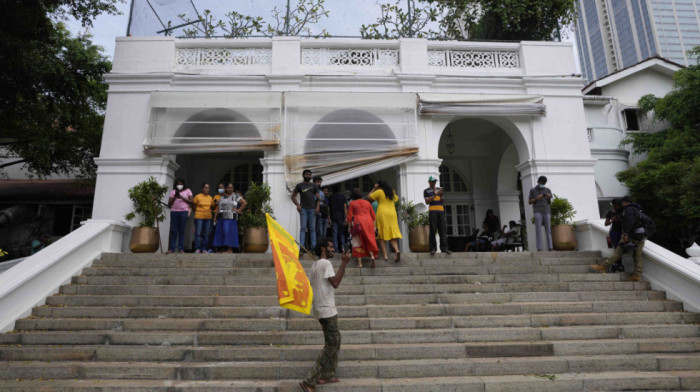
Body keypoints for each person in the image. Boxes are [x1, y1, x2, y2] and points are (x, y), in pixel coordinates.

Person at [299, 237, 350, 392]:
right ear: (323, 248)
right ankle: (309, 381)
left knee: (336, 340)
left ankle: (327, 374)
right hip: (327, 309)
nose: (333, 249)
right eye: (330, 247)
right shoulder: (325, 263)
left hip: (320, 309)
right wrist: (344, 263)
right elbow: (335, 283)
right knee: (331, 345)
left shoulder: (315, 265)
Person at [590, 196, 647, 281]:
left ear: (625, 202)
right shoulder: (637, 209)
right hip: (641, 235)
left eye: (622, 203)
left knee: (618, 251)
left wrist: (626, 234)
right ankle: (637, 275)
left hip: (632, 235)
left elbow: (629, 222)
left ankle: (603, 266)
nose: (621, 205)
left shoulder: (628, 210)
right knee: (637, 255)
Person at [369, 181, 402, 263]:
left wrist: (374, 188)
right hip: (392, 214)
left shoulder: (379, 191)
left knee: (380, 235)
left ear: (380, 186)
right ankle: (397, 250)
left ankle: (385, 256)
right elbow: (396, 199)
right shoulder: (392, 192)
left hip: (382, 214)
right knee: (392, 234)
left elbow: (369, 197)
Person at [291, 169, 321, 255]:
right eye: (306, 174)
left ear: (311, 176)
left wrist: (317, 207)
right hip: (303, 209)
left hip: (312, 209)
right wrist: (298, 205)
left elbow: (318, 198)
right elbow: (293, 196)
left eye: (309, 175)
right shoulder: (299, 185)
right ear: (303, 175)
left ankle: (313, 247)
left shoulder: (314, 186)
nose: (308, 176)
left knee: (312, 228)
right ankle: (302, 248)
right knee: (303, 228)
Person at [347, 188, 378, 268]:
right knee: (368, 240)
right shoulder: (368, 203)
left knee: (357, 241)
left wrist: (349, 227)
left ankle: (360, 263)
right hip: (369, 222)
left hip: (358, 222)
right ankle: (372, 256)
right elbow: (373, 216)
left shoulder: (352, 203)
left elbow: (350, 217)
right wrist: (374, 227)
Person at [212, 183, 246, 254]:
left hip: (231, 218)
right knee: (221, 233)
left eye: (231, 188)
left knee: (229, 233)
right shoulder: (222, 197)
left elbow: (244, 203)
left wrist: (238, 210)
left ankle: (230, 250)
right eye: (228, 187)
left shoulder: (236, 196)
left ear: (233, 189)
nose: (230, 189)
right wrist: (215, 217)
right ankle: (222, 249)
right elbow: (218, 207)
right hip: (221, 218)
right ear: (226, 189)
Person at [424, 175, 451, 256]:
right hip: (433, 211)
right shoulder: (426, 191)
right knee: (433, 229)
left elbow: (442, 201)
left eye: (435, 181)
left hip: (441, 211)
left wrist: (441, 195)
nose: (434, 183)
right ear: (429, 182)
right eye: (432, 181)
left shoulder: (439, 189)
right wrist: (435, 195)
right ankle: (433, 249)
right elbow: (427, 201)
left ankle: (444, 248)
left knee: (442, 229)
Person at [167, 178, 193, 253]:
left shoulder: (188, 191)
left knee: (181, 231)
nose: (179, 185)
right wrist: (175, 197)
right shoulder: (173, 192)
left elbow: (191, 201)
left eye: (181, 184)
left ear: (183, 184)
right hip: (174, 212)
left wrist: (182, 197)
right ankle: (172, 248)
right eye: (178, 184)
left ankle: (181, 248)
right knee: (174, 230)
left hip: (183, 212)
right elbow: (169, 203)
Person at [528, 176, 553, 251]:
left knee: (548, 229)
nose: (542, 184)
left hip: (546, 210)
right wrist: (536, 198)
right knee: (538, 229)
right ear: (538, 182)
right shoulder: (533, 190)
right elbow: (529, 202)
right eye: (541, 183)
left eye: (544, 183)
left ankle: (550, 247)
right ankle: (539, 247)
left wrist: (548, 197)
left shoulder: (548, 190)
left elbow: (549, 202)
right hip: (537, 210)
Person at [192, 183, 214, 254]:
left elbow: (213, 207)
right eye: (205, 187)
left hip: (208, 218)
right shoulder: (197, 196)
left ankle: (204, 248)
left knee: (206, 234)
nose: (207, 189)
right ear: (202, 188)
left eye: (208, 188)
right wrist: (198, 211)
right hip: (199, 217)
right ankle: (198, 248)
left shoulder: (210, 198)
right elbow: (193, 205)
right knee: (198, 233)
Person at [605, 198, 624, 272]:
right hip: (614, 232)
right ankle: (618, 264)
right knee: (616, 247)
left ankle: (618, 264)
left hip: (622, 231)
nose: (615, 207)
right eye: (614, 206)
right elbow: (606, 223)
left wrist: (620, 219)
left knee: (620, 248)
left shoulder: (623, 211)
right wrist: (612, 221)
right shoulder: (610, 212)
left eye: (617, 206)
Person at [328, 185, 347, 253]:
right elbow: (345, 208)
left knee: (334, 234)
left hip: (333, 217)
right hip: (341, 217)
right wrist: (346, 218)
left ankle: (335, 249)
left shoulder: (331, 197)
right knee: (342, 233)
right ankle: (343, 248)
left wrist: (329, 218)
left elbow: (329, 208)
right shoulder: (342, 197)